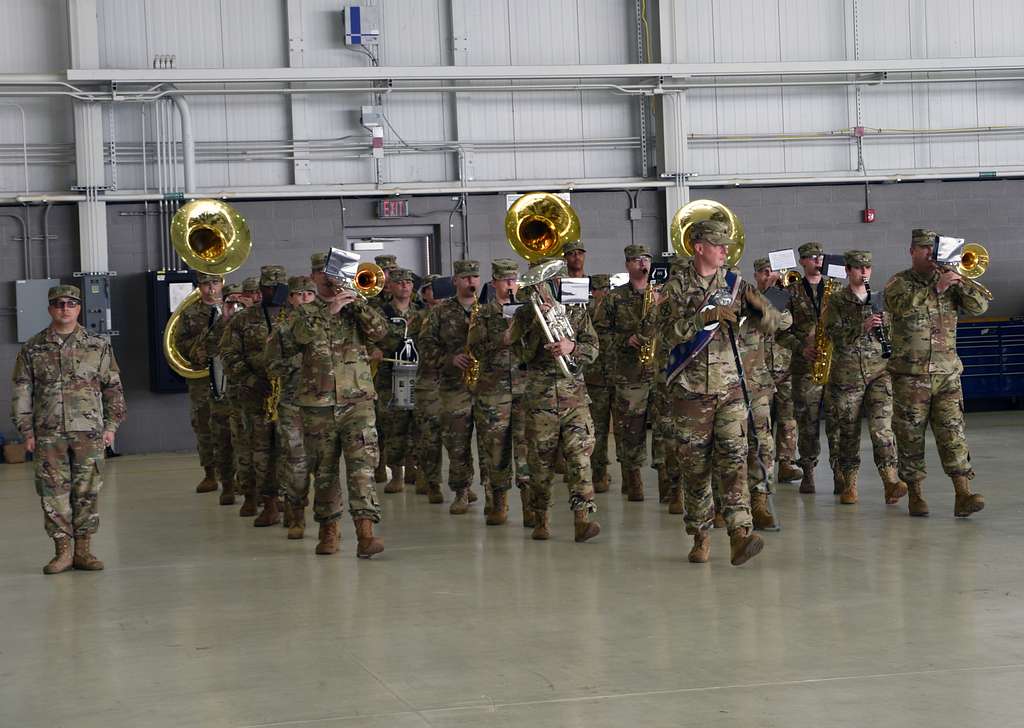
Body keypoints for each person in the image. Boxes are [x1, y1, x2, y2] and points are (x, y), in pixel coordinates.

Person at [647, 219, 780, 565]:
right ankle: (701, 534)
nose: (724, 250)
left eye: (726, 245)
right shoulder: (676, 287)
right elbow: (664, 333)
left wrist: (761, 310)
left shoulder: (736, 284)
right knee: (695, 468)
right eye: (718, 244)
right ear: (699, 247)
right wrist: (703, 317)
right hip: (691, 392)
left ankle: (740, 534)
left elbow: (773, 324)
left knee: (734, 460)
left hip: (731, 388)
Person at [11, 285, 126, 574]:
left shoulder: (97, 345)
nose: (65, 309)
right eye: (59, 304)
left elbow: (113, 388)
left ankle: (84, 551)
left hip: (89, 432)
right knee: (53, 493)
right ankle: (62, 552)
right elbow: (22, 392)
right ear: (50, 309)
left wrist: (111, 426)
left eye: (71, 304)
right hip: (48, 433)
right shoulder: (33, 347)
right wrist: (26, 430)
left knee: (87, 491)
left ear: (78, 308)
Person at [286, 264, 390, 557]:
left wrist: (357, 302)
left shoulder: (357, 306)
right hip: (317, 404)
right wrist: (327, 310)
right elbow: (297, 339)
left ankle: (366, 534)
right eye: (324, 272)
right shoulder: (305, 311)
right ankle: (328, 531)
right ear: (315, 277)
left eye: (336, 272)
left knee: (362, 469)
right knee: (324, 471)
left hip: (357, 401)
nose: (331, 278)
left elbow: (381, 332)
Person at [884, 229, 988, 518]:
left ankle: (963, 494)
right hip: (910, 376)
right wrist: (936, 289)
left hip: (947, 375)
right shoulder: (900, 282)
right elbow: (898, 307)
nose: (929, 254)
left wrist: (961, 282)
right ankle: (915, 495)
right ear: (912, 251)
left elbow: (980, 307)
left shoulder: (952, 281)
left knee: (953, 434)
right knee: (910, 436)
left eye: (933, 249)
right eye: (923, 249)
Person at [502, 258, 601, 542]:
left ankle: (583, 519)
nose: (545, 287)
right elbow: (520, 355)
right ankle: (541, 519)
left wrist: (572, 346)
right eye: (540, 283)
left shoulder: (577, 310)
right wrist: (537, 325)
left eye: (550, 280)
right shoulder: (524, 315)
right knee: (540, 462)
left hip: (575, 398)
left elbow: (593, 349)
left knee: (580, 458)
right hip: (540, 399)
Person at [821, 251, 907, 506]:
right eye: (858, 268)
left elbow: (894, 332)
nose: (864, 272)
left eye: (867, 267)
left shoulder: (881, 299)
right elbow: (833, 334)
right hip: (847, 376)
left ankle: (891, 481)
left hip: (879, 373)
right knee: (848, 432)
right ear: (848, 271)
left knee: (882, 429)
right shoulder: (836, 301)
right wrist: (862, 326)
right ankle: (849, 484)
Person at [220, 265, 289, 524]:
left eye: (277, 287)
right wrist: (250, 379)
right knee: (258, 451)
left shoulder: (297, 316)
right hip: (254, 395)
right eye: (267, 287)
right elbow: (228, 354)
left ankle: (288, 501)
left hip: (289, 395)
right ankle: (262, 500)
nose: (271, 292)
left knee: (289, 451)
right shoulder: (243, 319)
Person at [467, 258, 530, 525]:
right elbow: (475, 350)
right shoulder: (483, 314)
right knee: (495, 449)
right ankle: (498, 503)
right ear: (494, 284)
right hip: (493, 391)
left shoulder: (527, 311)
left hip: (525, 388)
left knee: (527, 449)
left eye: (513, 280)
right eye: (504, 281)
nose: (509, 285)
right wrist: (500, 340)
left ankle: (531, 508)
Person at [419, 260, 484, 515]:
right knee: (457, 442)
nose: (471, 282)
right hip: (454, 386)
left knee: (491, 445)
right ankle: (460, 490)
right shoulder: (440, 312)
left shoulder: (488, 309)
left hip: (487, 386)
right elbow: (425, 346)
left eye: (475, 277)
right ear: (455, 281)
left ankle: (493, 492)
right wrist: (449, 359)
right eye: (466, 277)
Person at [595, 244, 657, 501]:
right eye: (635, 260)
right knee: (630, 428)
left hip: (661, 371)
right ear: (627, 265)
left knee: (665, 431)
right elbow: (599, 333)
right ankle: (633, 480)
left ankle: (671, 487)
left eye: (645, 259)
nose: (642, 264)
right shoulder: (614, 298)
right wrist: (624, 341)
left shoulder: (661, 295)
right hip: (629, 373)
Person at [780, 242, 840, 494]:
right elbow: (780, 331)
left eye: (820, 257)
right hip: (805, 366)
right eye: (812, 257)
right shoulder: (790, 292)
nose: (817, 260)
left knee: (839, 422)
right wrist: (800, 347)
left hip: (836, 365)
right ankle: (809, 471)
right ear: (802, 261)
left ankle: (841, 472)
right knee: (807, 421)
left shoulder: (837, 290)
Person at [264, 275, 317, 538]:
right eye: (300, 294)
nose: (305, 299)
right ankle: (296, 515)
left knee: (325, 465)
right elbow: (271, 366)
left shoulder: (328, 326)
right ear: (291, 298)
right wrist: (298, 359)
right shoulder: (282, 330)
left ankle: (328, 521)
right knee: (295, 463)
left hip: (324, 405)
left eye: (310, 294)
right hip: (293, 404)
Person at [174, 271, 223, 494]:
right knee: (203, 424)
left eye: (215, 282)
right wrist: (205, 338)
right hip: (201, 377)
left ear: (222, 283)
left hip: (229, 375)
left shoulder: (236, 307)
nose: (211, 288)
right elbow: (179, 344)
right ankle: (210, 474)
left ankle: (238, 476)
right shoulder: (189, 312)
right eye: (205, 284)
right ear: (198, 286)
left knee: (234, 425)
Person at [753, 259, 802, 484]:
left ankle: (786, 464)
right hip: (759, 371)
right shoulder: (749, 296)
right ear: (756, 275)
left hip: (783, 368)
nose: (769, 275)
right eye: (764, 273)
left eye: (771, 272)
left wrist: (775, 294)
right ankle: (762, 468)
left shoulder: (781, 296)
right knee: (760, 423)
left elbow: (785, 322)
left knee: (788, 419)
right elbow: (759, 320)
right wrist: (768, 294)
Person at [374, 268, 421, 494]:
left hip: (417, 375)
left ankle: (415, 469)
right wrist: (373, 349)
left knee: (417, 425)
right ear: (390, 286)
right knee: (394, 427)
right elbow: (369, 337)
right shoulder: (381, 312)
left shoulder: (422, 311)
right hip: (389, 377)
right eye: (399, 282)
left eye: (408, 282)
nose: (404, 285)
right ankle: (397, 473)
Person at [205, 281, 246, 506]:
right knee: (222, 443)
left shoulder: (253, 321)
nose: (236, 305)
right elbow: (203, 350)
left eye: (240, 300)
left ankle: (249, 488)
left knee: (248, 443)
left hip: (247, 394)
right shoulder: (217, 323)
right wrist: (224, 319)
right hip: (222, 394)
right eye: (231, 301)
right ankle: (227, 486)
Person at [409, 275, 445, 502]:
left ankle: (462, 483)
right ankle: (431, 480)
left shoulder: (461, 313)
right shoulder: (418, 318)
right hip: (428, 381)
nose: (438, 293)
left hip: (456, 383)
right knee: (429, 436)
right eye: (433, 289)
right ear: (424, 294)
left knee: (456, 437)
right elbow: (411, 347)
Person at [584, 273, 613, 495]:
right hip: (594, 378)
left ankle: (628, 475)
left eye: (606, 289)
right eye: (599, 290)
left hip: (618, 375)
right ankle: (599, 472)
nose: (602, 294)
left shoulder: (615, 306)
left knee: (623, 430)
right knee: (598, 429)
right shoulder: (585, 311)